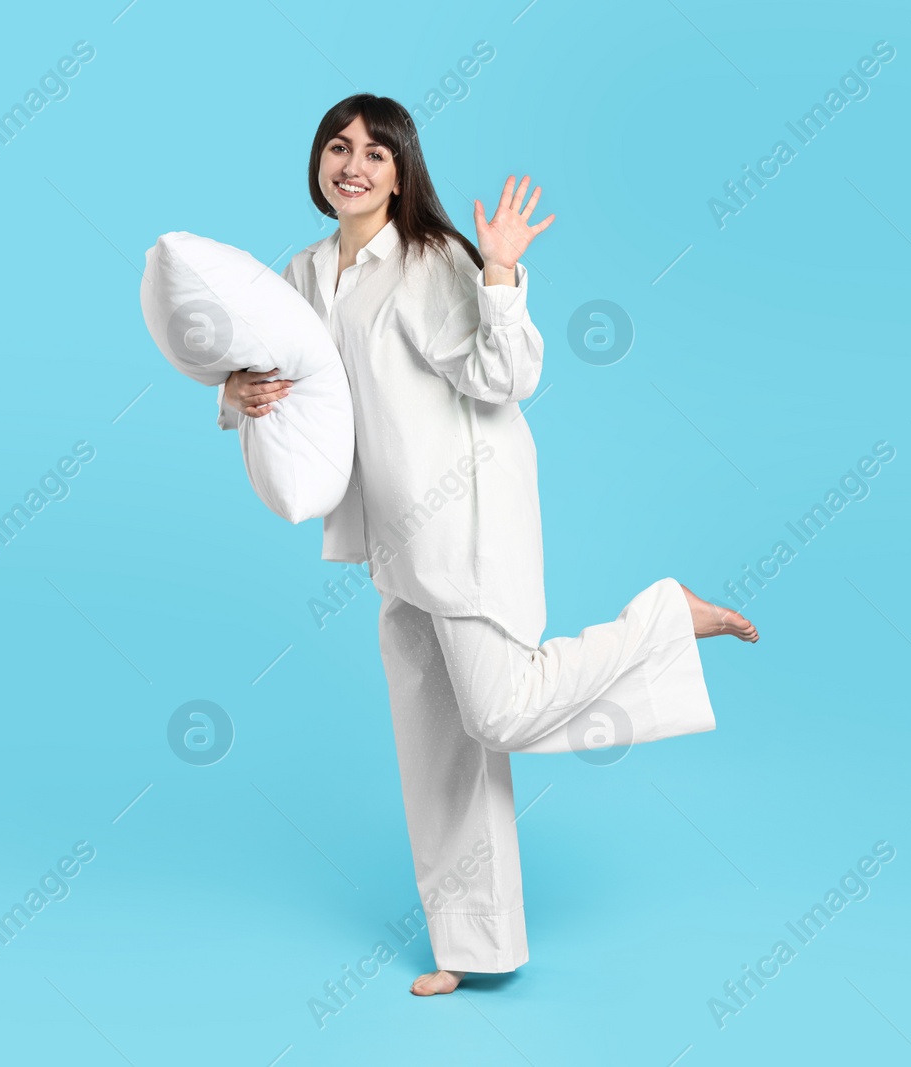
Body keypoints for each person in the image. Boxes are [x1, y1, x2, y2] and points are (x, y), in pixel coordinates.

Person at [218, 94, 758, 997]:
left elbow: (506, 376)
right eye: (340, 148)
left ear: (403, 171)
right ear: (318, 161)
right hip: (388, 535)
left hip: (463, 519)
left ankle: (667, 617)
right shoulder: (304, 273)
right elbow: (282, 379)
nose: (354, 164)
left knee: (499, 712)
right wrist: (237, 388)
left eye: (377, 154)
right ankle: (473, 946)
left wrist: (500, 274)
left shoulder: (430, 260)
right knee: (439, 751)